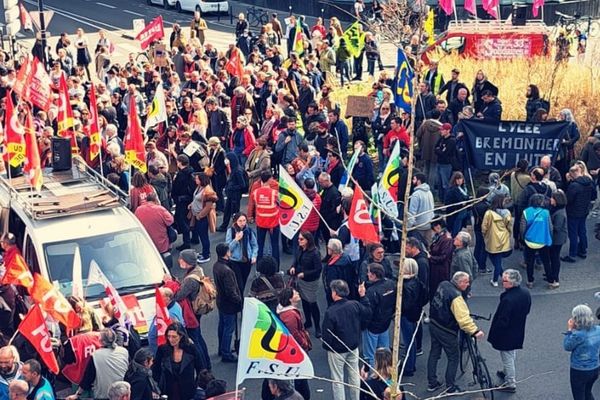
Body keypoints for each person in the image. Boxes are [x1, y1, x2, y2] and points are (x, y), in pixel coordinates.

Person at [427, 272, 485, 394]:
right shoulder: (456, 297)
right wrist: (475, 331)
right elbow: (463, 319)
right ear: (459, 283)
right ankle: (450, 387)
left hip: (434, 323)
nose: (468, 284)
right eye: (466, 282)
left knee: (434, 353)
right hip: (446, 329)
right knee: (453, 357)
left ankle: (432, 383)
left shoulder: (444, 284)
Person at [322, 280, 371, 400]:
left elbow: (326, 335)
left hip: (337, 351)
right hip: (353, 346)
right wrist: (363, 296)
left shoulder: (331, 312)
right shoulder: (354, 304)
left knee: (338, 379)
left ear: (334, 293)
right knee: (354, 375)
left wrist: (328, 347)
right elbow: (368, 312)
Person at [487, 269, 531, 393]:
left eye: (505, 281)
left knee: (507, 357)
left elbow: (502, 321)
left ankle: (510, 383)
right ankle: (506, 372)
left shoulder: (508, 299)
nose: (502, 282)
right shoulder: (525, 293)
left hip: (507, 333)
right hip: (517, 328)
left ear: (512, 283)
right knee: (511, 353)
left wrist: (495, 333)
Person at [172, 250, 211, 371]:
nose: (179, 261)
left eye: (181, 259)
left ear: (187, 262)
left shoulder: (190, 280)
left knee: (195, 340)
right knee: (198, 337)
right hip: (198, 308)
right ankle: (207, 363)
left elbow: (178, 295)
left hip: (192, 311)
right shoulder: (197, 270)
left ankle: (203, 367)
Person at [67, 329, 129, 400]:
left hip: (104, 395)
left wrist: (77, 394)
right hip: (123, 393)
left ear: (101, 341)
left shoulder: (96, 355)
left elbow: (88, 378)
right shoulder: (124, 351)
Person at [276, 288, 312, 399]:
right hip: (296, 351)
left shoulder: (285, 312)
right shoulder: (290, 315)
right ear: (290, 298)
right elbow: (294, 334)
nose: (298, 293)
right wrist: (305, 342)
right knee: (300, 379)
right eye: (295, 293)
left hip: (292, 351)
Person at [153, 323, 202, 400]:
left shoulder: (191, 349)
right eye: (169, 336)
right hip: (168, 390)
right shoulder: (162, 350)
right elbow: (156, 370)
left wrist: (195, 385)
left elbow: (201, 368)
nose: (171, 339)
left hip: (188, 390)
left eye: (174, 337)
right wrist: (157, 387)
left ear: (181, 336)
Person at [288, 231, 322, 338]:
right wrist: (293, 266)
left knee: (312, 303)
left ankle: (317, 327)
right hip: (301, 279)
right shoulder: (300, 249)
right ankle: (308, 321)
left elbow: (318, 269)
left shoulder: (315, 253)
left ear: (308, 240)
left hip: (311, 281)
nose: (299, 241)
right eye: (298, 239)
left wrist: (305, 274)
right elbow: (296, 260)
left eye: (301, 239)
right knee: (304, 301)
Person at [362, 263, 396, 369]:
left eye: (368, 272)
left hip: (372, 326)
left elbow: (367, 311)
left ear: (374, 275)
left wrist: (362, 296)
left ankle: (372, 378)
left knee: (370, 355)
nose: (367, 274)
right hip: (385, 323)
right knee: (385, 352)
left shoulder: (371, 292)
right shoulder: (391, 284)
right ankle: (387, 376)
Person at [212, 243, 242, 363]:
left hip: (221, 301)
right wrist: (238, 300)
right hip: (229, 304)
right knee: (229, 329)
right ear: (226, 253)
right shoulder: (227, 271)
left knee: (222, 326)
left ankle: (221, 348)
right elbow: (231, 291)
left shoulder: (216, 266)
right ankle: (226, 353)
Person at [564, 304, 600, 400]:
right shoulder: (598, 330)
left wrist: (569, 330)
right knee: (588, 392)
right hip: (595, 367)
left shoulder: (578, 335)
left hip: (579, 370)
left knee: (579, 395)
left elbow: (567, 346)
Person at [563, 163, 595, 263]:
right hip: (584, 210)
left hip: (573, 212)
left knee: (573, 233)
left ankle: (572, 254)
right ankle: (583, 250)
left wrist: (568, 183)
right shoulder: (589, 182)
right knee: (582, 231)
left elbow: (568, 199)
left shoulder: (574, 186)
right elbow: (593, 195)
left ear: (572, 173)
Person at [399, 259, 425, 377]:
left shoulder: (405, 286)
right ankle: (411, 364)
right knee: (411, 341)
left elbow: (405, 304)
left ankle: (409, 367)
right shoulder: (417, 281)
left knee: (409, 341)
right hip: (415, 314)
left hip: (406, 316)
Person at [248, 170, 280, 265]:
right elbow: (281, 203)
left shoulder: (256, 192)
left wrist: (249, 216)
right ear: (269, 179)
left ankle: (259, 267)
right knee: (274, 246)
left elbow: (251, 203)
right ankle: (276, 268)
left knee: (260, 245)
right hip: (273, 223)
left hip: (260, 222)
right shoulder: (274, 193)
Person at [135, 192, 175, 268]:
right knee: (164, 261)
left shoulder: (138, 209)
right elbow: (170, 221)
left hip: (146, 242)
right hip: (161, 242)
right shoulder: (160, 209)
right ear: (156, 199)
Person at [521, 194, 552, 288]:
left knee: (529, 262)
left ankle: (530, 281)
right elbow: (550, 227)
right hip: (542, 240)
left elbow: (522, 227)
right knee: (546, 261)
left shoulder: (526, 212)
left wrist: (523, 238)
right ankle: (551, 281)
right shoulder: (546, 212)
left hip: (530, 241)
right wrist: (549, 237)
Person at [482, 195, 512, 287]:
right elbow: (509, 226)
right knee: (498, 260)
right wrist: (509, 235)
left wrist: (485, 235)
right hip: (503, 237)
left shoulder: (489, 213)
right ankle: (503, 276)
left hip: (492, 238)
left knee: (495, 259)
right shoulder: (507, 213)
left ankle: (495, 280)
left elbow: (484, 227)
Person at [225, 212, 258, 296]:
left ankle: (240, 297)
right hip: (235, 261)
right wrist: (236, 240)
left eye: (244, 220)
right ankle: (240, 300)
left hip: (247, 260)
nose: (242, 223)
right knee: (239, 283)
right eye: (240, 221)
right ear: (235, 221)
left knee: (244, 281)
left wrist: (254, 256)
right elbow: (228, 248)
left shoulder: (249, 231)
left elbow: (254, 245)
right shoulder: (231, 231)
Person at [190, 172, 218, 264]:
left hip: (202, 217)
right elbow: (196, 199)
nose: (195, 180)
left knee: (204, 236)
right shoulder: (199, 187)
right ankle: (204, 252)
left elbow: (208, 206)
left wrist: (200, 215)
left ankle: (206, 255)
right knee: (201, 235)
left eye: (197, 179)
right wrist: (191, 205)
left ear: (202, 180)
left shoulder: (208, 191)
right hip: (197, 215)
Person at [148, 288, 184, 355]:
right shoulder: (175, 305)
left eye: (161, 297)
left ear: (168, 298)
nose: (158, 300)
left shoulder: (170, 315)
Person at [172, 154, 196, 251]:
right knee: (192, 219)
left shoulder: (181, 175)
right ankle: (195, 237)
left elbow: (176, 188)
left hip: (182, 200)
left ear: (180, 162)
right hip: (190, 199)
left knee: (183, 221)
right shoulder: (191, 171)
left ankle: (186, 243)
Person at [217, 153, 246, 232]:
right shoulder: (234, 169)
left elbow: (242, 184)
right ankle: (224, 226)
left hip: (235, 195)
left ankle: (236, 228)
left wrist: (232, 187)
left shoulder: (237, 171)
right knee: (227, 211)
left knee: (234, 212)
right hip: (231, 194)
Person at [408, 173, 435, 246]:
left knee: (418, 247)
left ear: (419, 181)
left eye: (414, 179)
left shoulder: (416, 194)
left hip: (419, 226)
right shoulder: (429, 192)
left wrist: (408, 227)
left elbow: (412, 212)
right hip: (429, 224)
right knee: (428, 247)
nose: (412, 181)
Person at [428, 220, 453, 299]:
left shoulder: (446, 239)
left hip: (441, 270)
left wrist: (430, 257)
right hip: (436, 267)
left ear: (438, 226)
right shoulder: (439, 236)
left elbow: (444, 257)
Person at [548, 190, 568, 288]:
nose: (550, 199)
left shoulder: (559, 213)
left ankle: (555, 278)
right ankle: (552, 273)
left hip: (557, 239)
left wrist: (548, 224)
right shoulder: (557, 209)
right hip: (556, 238)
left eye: (552, 198)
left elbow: (557, 227)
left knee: (555, 258)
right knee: (553, 257)